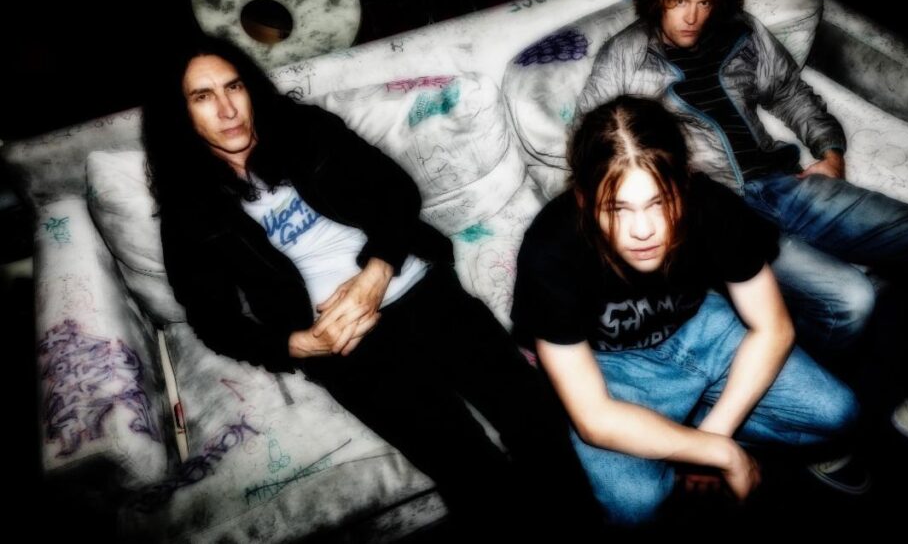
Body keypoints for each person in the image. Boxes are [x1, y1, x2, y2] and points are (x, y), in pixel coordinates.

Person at [578, 0, 908, 494]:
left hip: (785, 183)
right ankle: (810, 426)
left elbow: (788, 91)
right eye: (679, 1)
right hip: (722, 208)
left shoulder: (741, 32)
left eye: (704, 2)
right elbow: (597, 144)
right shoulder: (625, 54)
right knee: (851, 299)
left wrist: (829, 149)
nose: (692, 17)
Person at [142, 34, 599, 534]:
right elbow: (212, 320)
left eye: (234, 87)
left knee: (533, 415)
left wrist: (376, 273)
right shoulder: (189, 213)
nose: (228, 109)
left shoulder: (305, 130)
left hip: (416, 286)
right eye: (203, 97)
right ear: (180, 115)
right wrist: (300, 344)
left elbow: (396, 192)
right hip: (346, 344)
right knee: (464, 464)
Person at [511, 95, 858, 526]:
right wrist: (724, 454)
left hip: (700, 327)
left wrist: (711, 437)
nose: (642, 230)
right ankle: (678, 432)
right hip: (613, 366)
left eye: (659, 202)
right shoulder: (549, 249)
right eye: (617, 208)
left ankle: (682, 427)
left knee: (839, 413)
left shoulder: (710, 204)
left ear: (684, 184)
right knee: (635, 505)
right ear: (583, 199)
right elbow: (594, 418)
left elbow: (774, 327)